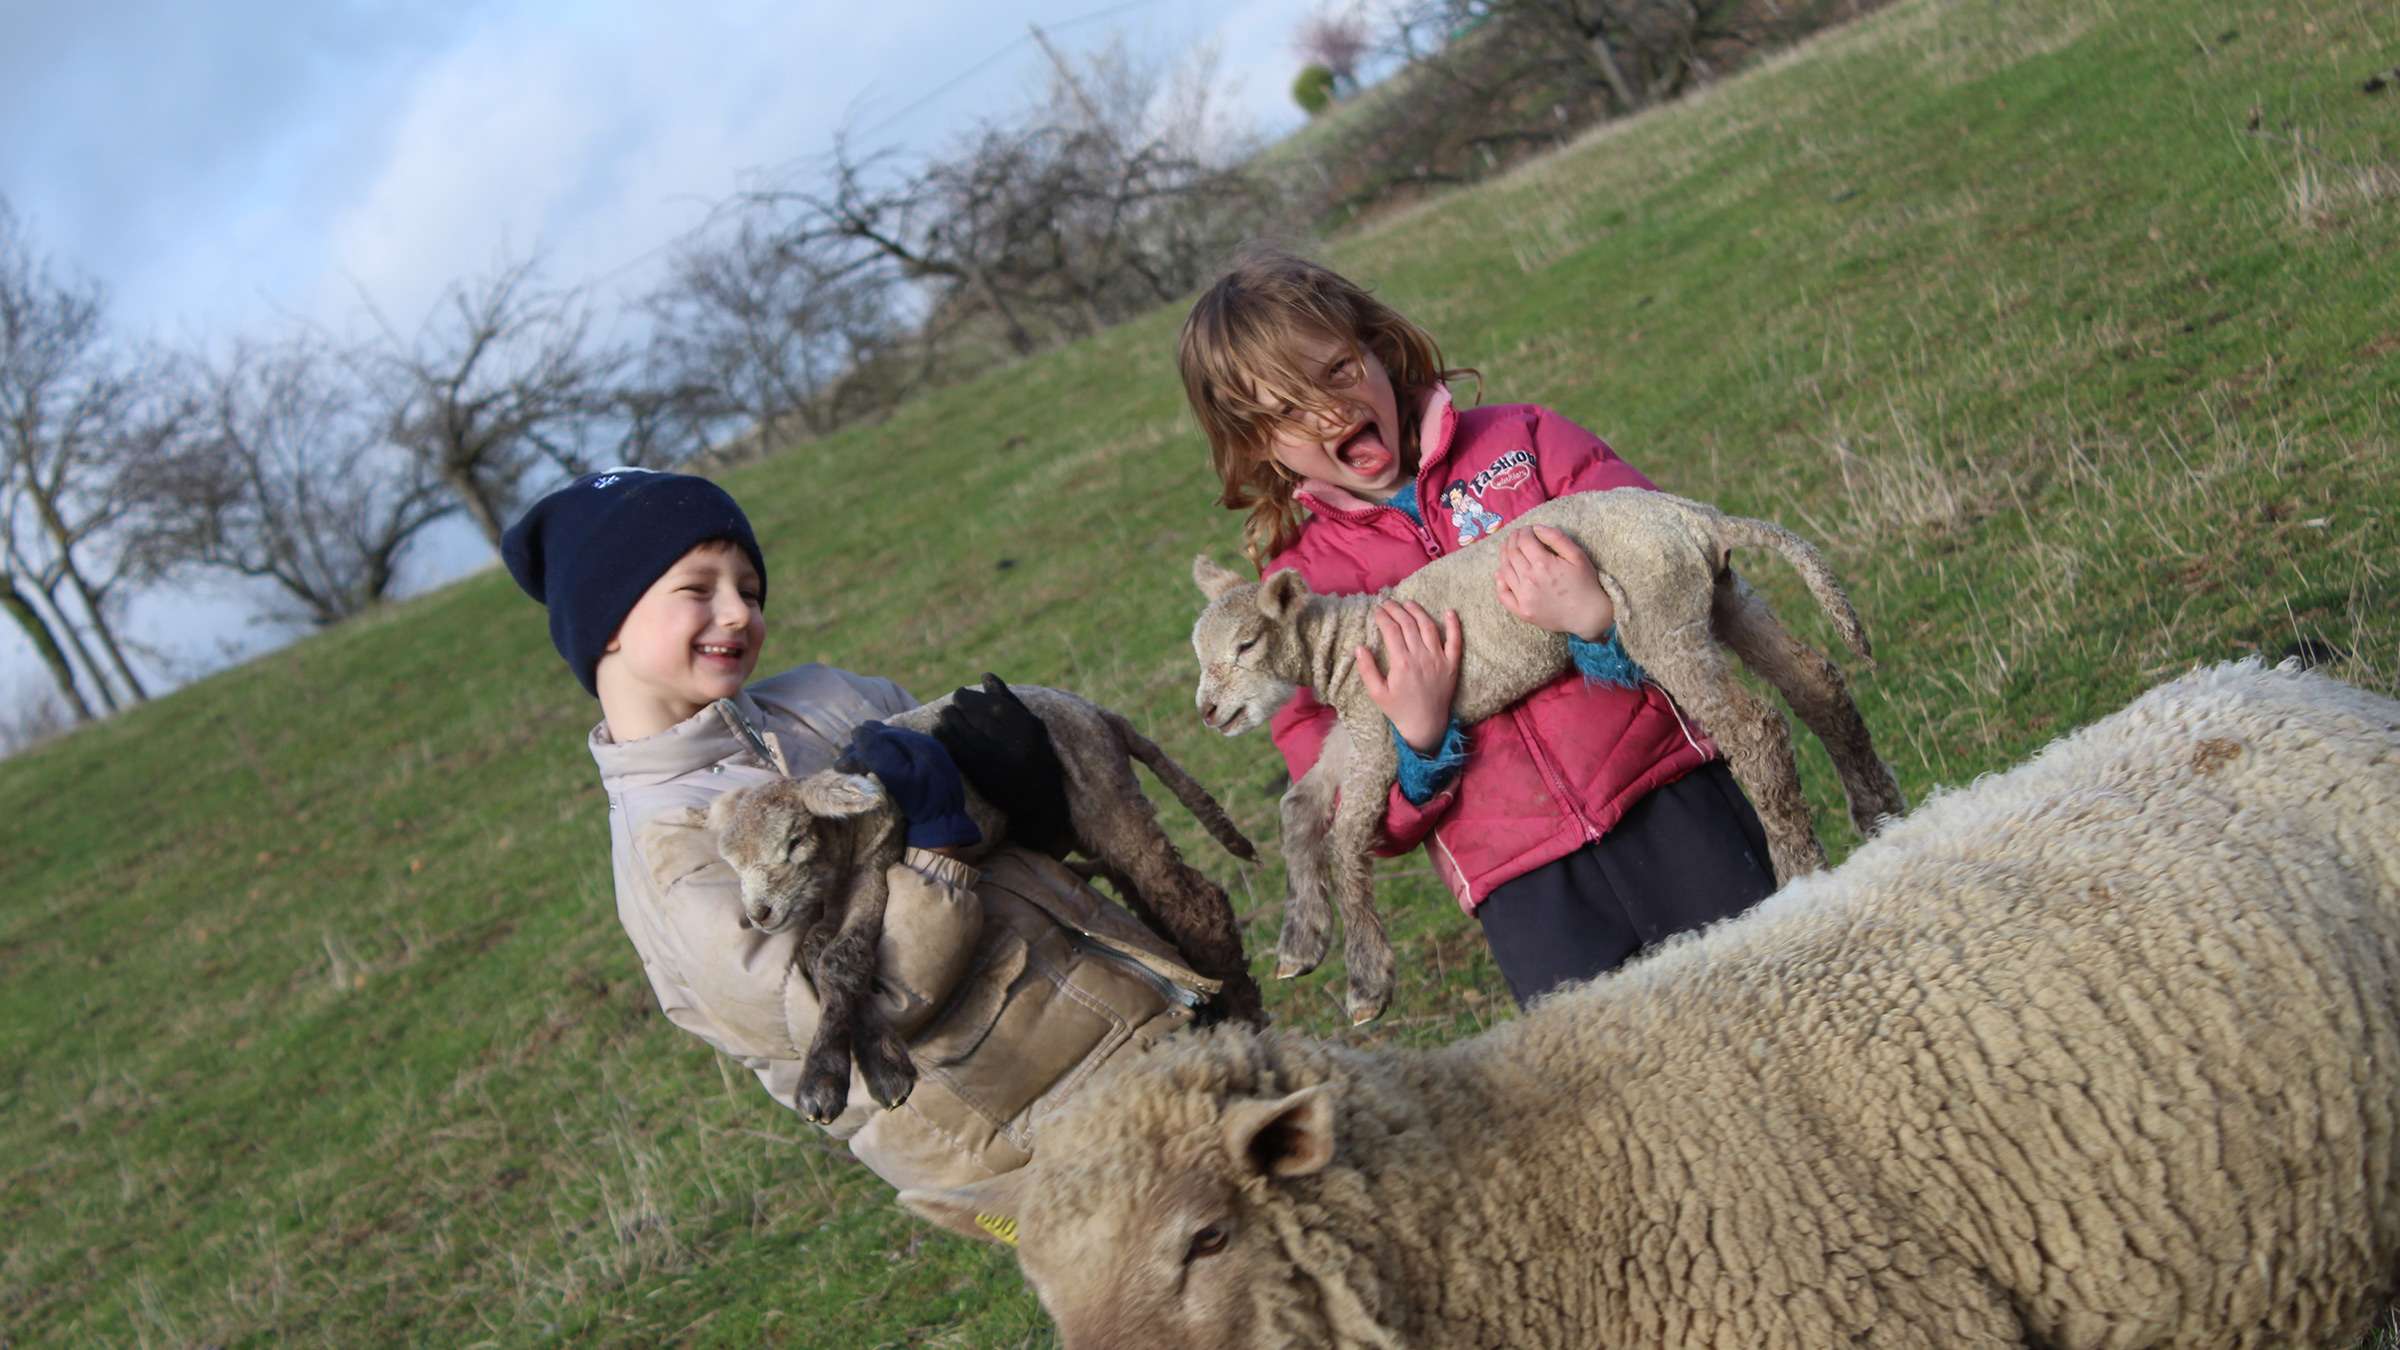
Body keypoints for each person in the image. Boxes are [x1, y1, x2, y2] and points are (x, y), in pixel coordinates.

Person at [502, 467, 1213, 1194]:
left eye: (749, 589)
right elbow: (850, 1013)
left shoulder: (832, 698)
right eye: (698, 589)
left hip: (1138, 1027)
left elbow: (1005, 850)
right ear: (607, 623)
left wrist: (1025, 796)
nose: (739, 612)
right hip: (1031, 1138)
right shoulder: (672, 851)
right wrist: (937, 850)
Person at [1179, 247, 1778, 1007]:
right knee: (1630, 1097)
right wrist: (1418, 741)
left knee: (1786, 1006)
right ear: (1257, 441)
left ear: (1378, 346)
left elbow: (1680, 565)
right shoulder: (1297, 601)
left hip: (1675, 803)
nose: (1330, 412)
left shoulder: (1525, 443)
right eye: (1289, 411)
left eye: (1336, 371)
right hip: (1525, 890)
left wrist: (1598, 621)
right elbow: (1358, 818)